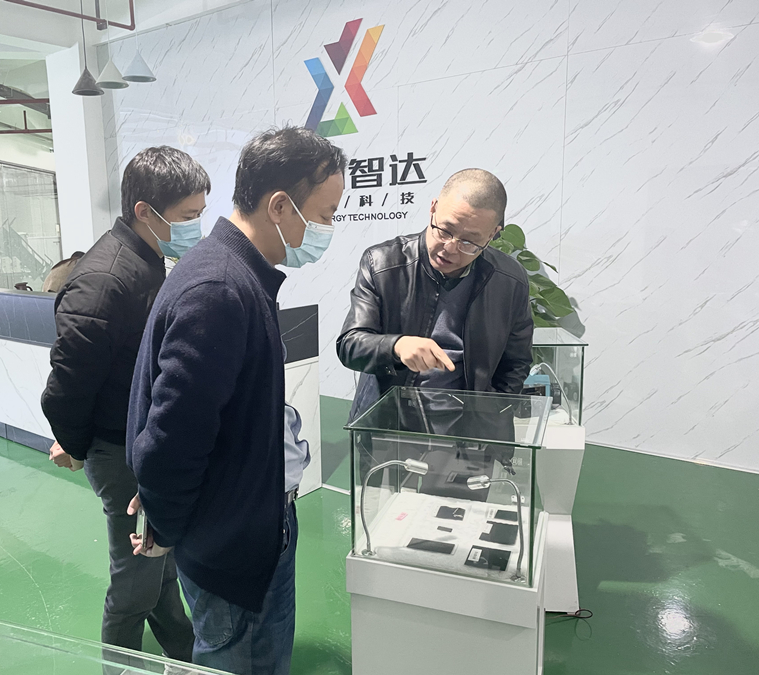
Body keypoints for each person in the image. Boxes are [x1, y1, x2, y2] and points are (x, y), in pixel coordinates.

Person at [126, 127, 345, 675]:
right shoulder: (221, 289)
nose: (328, 228)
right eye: (325, 215)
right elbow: (169, 442)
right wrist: (168, 526)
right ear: (280, 206)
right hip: (233, 547)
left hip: (250, 520)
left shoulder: (234, 273)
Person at [40, 146, 211, 660]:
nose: (195, 227)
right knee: (136, 580)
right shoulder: (104, 280)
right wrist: (74, 443)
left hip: (144, 440)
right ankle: (121, 665)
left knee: (160, 564)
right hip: (119, 450)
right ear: (144, 211)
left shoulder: (148, 257)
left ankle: (185, 656)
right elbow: (68, 383)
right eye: (188, 216)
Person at [337, 168, 533, 420]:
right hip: (390, 421)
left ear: (492, 235)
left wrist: (492, 413)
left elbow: (516, 363)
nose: (450, 248)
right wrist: (397, 346)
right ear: (433, 208)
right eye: (445, 230)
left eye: (469, 242)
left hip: (470, 426)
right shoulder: (383, 263)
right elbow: (350, 345)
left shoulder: (509, 279)